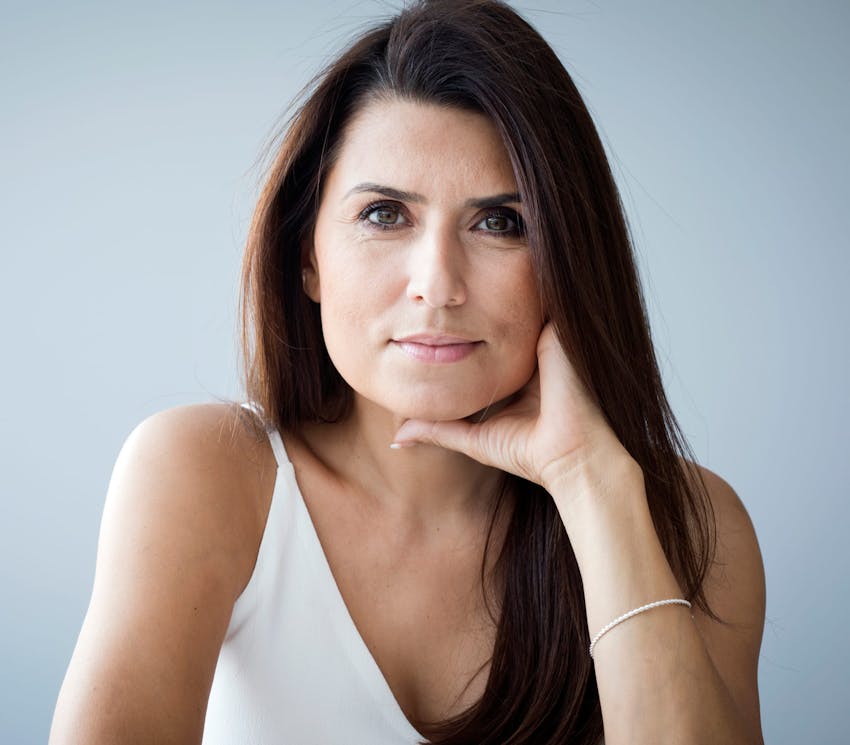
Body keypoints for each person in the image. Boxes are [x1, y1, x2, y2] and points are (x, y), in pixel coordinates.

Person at [49, 1, 766, 743]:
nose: (438, 284)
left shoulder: (697, 528)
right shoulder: (209, 475)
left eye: (500, 223)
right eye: (386, 214)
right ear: (308, 258)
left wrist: (595, 487)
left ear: (568, 261)